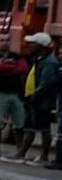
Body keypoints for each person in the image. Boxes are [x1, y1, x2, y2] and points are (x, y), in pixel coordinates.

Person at [22, 32, 61, 168]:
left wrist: (35, 95)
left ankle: (44, 155)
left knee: (44, 128)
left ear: (41, 46)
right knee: (35, 126)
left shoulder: (49, 62)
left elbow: (46, 83)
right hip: (38, 100)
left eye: (34, 44)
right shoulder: (40, 59)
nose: (30, 46)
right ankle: (25, 152)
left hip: (44, 101)